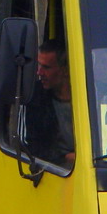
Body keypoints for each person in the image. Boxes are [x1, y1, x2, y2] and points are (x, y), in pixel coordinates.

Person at [25, 39, 75, 167]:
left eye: (46, 67)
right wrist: (65, 157)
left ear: (65, 70)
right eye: (39, 66)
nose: (39, 73)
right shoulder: (34, 97)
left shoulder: (90, 93)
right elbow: (33, 146)